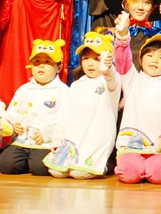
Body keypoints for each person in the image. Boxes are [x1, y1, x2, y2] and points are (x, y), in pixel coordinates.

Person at [112, 13, 161, 185]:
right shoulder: (132, 79)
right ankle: (138, 168)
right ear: (141, 59)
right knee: (129, 175)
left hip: (159, 146)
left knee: (159, 176)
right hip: (130, 145)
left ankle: (149, 168)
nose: (155, 60)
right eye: (150, 55)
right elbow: (122, 58)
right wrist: (122, 35)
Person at [44, 31, 119, 179]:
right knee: (56, 171)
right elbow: (64, 114)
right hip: (76, 137)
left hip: (96, 137)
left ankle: (104, 164)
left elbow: (112, 79)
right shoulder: (76, 85)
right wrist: (58, 139)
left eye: (96, 59)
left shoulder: (109, 83)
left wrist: (107, 68)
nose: (90, 63)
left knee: (78, 173)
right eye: (86, 58)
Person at [0, 39, 69, 176]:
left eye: (47, 62)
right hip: (22, 141)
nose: (41, 66)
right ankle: (27, 160)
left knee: (40, 168)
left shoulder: (63, 91)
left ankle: (34, 161)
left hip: (46, 142)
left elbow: (65, 120)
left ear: (59, 67)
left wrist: (47, 135)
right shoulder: (24, 89)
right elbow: (12, 112)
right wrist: (14, 125)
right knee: (6, 165)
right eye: (36, 62)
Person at [103, 0, 161, 72]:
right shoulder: (112, 35)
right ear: (127, 5)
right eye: (135, 1)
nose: (140, 7)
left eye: (146, 2)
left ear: (153, 7)